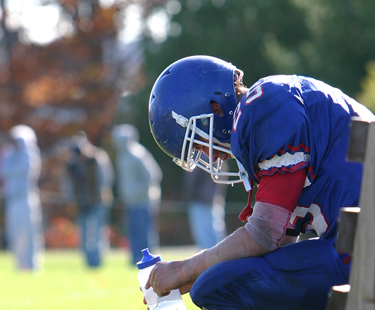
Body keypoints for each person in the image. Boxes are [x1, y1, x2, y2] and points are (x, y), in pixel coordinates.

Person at [145, 55, 375, 310]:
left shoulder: (263, 108)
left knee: (214, 286)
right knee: (217, 279)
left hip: (364, 252)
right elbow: (277, 245)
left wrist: (186, 268)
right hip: (357, 245)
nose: (209, 155)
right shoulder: (268, 109)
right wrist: (193, 273)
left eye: (198, 141)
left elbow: (264, 234)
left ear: (216, 107)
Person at [111, 124, 163, 265]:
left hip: (143, 201)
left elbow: (153, 175)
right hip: (130, 202)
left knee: (144, 232)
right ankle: (135, 259)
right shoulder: (122, 156)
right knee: (132, 231)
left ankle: (149, 261)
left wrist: (137, 192)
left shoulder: (137, 154)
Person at [64, 131, 114, 268]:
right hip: (81, 203)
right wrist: (70, 200)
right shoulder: (72, 164)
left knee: (97, 232)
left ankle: (97, 262)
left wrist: (99, 194)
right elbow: (68, 183)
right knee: (84, 233)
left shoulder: (97, 158)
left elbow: (107, 178)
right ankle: (88, 263)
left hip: (98, 201)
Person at [0, 125, 44, 271]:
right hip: (12, 200)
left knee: (29, 232)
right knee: (15, 232)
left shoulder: (30, 153)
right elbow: (3, 172)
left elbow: (21, 169)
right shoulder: (9, 154)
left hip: (26, 198)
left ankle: (32, 264)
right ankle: (20, 264)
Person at [182, 153, 227, 249]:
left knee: (205, 237)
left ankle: (212, 261)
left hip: (201, 200)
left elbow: (192, 180)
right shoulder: (217, 157)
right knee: (216, 233)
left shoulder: (200, 157)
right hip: (213, 199)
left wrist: (188, 195)